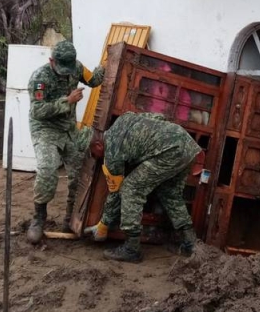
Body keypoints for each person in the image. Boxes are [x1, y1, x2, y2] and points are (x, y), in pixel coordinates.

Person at [86, 111, 203, 262]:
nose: (94, 157)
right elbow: (159, 116)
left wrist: (103, 225)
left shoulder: (112, 153)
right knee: (170, 194)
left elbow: (115, 194)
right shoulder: (124, 118)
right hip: (186, 144)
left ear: (98, 145)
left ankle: (131, 248)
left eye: (92, 153)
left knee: (130, 188)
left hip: (169, 151)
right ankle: (190, 244)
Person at [26, 40, 105, 244]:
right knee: (48, 170)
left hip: (68, 130)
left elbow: (94, 79)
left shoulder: (75, 67)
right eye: (61, 68)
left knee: (78, 174)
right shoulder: (39, 78)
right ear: (52, 61)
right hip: (46, 129)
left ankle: (70, 220)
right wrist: (67, 101)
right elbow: (37, 111)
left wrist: (108, 61)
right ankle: (38, 219)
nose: (65, 73)